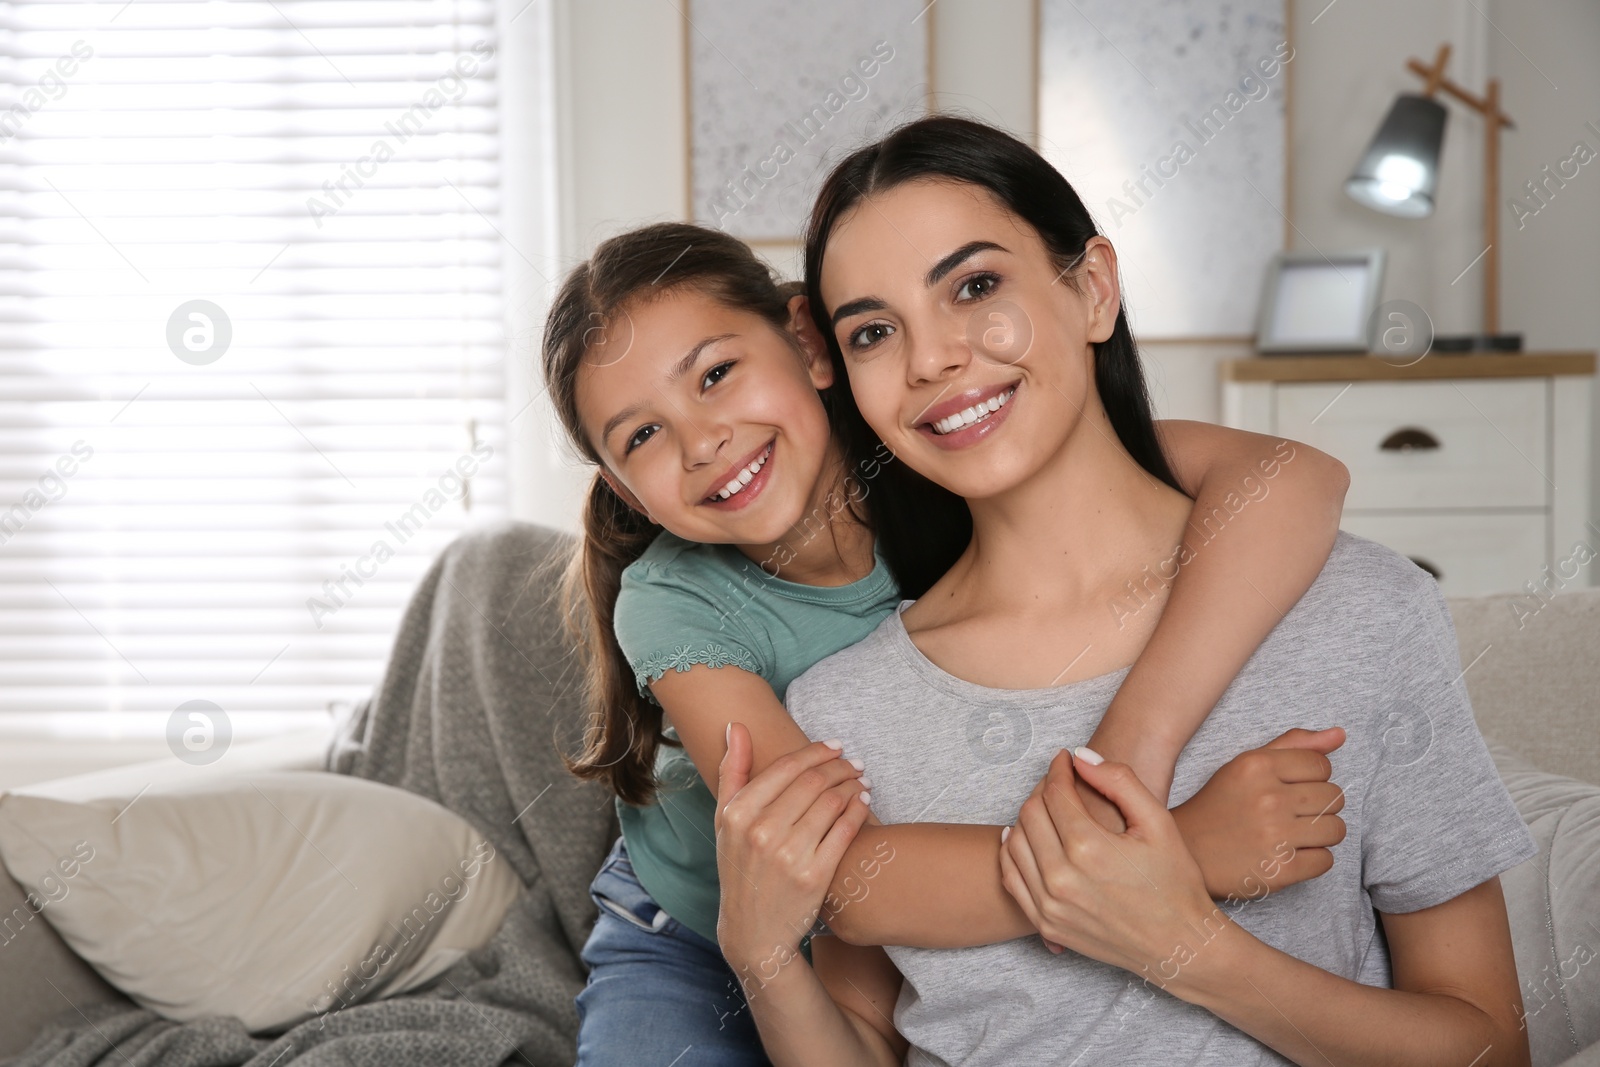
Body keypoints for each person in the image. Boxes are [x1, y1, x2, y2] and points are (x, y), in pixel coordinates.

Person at [713, 114, 1537, 1066]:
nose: (930, 359)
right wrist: (762, 956)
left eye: (976, 286)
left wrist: (1181, 943)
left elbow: (1488, 1048)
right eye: (872, 332)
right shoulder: (844, 706)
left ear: (1093, 289)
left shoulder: (1360, 610)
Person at [540, 220, 1352, 1066]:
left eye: (716, 374)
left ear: (808, 343)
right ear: (624, 492)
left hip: (918, 895)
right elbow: (840, 874)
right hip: (702, 933)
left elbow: (1295, 476)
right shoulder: (671, 602)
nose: (702, 442)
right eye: (642, 436)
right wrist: (1173, 848)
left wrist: (1131, 753)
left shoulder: (936, 442)